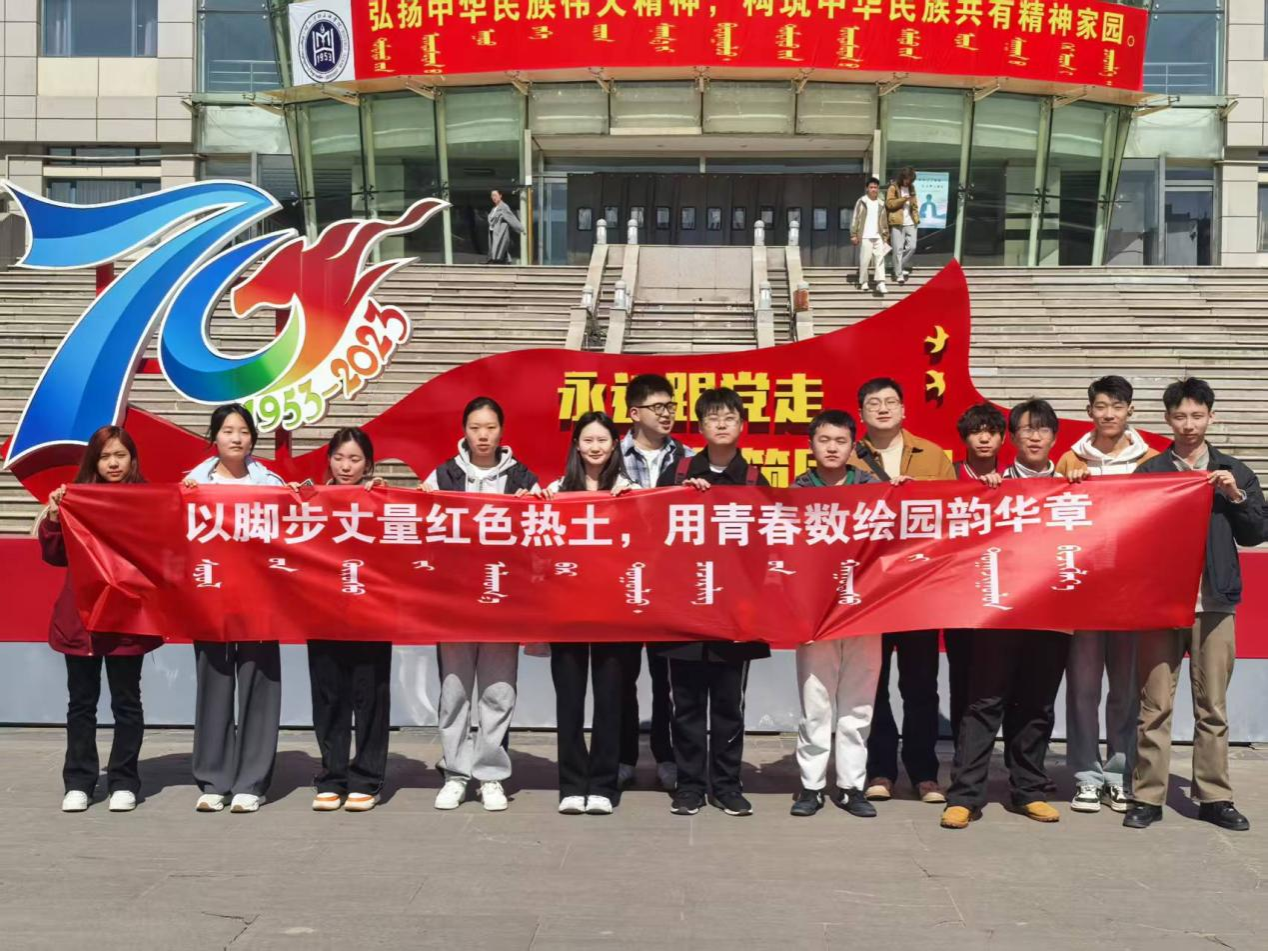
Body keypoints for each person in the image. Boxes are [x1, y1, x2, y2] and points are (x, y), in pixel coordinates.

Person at [1124, 378, 1266, 831]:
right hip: (1162, 604)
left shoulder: (1233, 470)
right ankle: (1147, 796)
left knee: (1213, 707)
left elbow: (1256, 532)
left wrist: (1235, 496)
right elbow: (1130, 532)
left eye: (1197, 415)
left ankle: (1214, 797)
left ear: (1211, 417)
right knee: (1154, 705)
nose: (1188, 424)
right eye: (1180, 416)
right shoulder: (1151, 473)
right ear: (1168, 419)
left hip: (1215, 602)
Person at [941, 399, 1075, 829]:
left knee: (1036, 704)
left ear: (1054, 437)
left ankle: (1028, 790)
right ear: (1012, 438)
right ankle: (965, 795)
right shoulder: (991, 487)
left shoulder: (1073, 487)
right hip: (997, 611)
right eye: (1026, 429)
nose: (1034, 437)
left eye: (1042, 429)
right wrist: (984, 496)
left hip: (1052, 613)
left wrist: (1082, 483)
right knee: (984, 702)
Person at [656, 387, 770, 816]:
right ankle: (689, 786)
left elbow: (768, 545)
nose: (721, 425)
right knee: (685, 704)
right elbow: (654, 531)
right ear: (700, 427)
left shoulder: (755, 480)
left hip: (735, 614)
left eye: (729, 418)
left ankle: (726, 784)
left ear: (742, 425)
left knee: (728, 705)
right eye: (712, 418)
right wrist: (682, 496)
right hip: (685, 610)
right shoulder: (678, 473)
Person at [421, 396, 537, 811]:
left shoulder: (523, 478)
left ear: (502, 431)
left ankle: (490, 775)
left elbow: (538, 540)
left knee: (498, 692)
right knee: (454, 693)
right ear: (464, 431)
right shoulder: (442, 476)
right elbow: (421, 530)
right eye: (475, 427)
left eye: (490, 427)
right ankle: (456, 773)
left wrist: (531, 506)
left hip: (503, 601)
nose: (482, 435)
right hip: (454, 602)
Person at [40, 426, 162, 813]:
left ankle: (124, 781)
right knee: (81, 703)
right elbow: (55, 555)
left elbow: (164, 547)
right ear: (93, 461)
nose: (113, 463)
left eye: (120, 455)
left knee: (127, 703)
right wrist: (55, 516)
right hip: (81, 619)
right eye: (105, 456)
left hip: (127, 618)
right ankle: (79, 782)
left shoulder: (147, 501)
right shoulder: (76, 497)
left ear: (132, 459)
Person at [1055, 375, 1160, 815]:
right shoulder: (1070, 459)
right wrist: (1067, 483)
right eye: (1101, 406)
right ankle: (1085, 775)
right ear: (1089, 411)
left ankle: (1119, 775)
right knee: (1082, 688)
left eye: (1117, 406)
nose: (1109, 414)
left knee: (1125, 689)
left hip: (1129, 592)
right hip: (1082, 590)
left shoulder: (1152, 462)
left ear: (1130, 410)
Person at [848, 377, 955, 805]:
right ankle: (879, 770)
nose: (883, 408)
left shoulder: (932, 455)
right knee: (871, 685)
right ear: (861, 413)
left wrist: (919, 498)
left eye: (891, 401)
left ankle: (924, 772)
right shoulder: (847, 454)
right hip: (869, 589)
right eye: (874, 403)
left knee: (920, 684)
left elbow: (954, 514)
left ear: (905, 410)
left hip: (918, 589)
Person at [183, 403, 285, 814]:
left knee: (259, 684)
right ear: (214, 437)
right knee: (214, 685)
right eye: (227, 431)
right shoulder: (193, 484)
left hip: (259, 599)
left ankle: (251, 782)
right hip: (210, 597)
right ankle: (214, 780)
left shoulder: (271, 483)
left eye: (243, 431)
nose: (236, 438)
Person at [541, 412, 638, 816]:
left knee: (610, 700)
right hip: (567, 612)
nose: (595, 447)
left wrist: (632, 506)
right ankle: (570, 784)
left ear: (614, 445)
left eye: (602, 440)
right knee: (569, 700)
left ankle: (602, 784)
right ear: (576, 446)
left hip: (615, 613)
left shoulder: (630, 491)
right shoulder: (555, 490)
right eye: (588, 440)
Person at [789, 410, 882, 819]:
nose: (832, 448)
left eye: (840, 441)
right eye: (824, 440)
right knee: (816, 702)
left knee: (858, 704)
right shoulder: (797, 491)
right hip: (816, 613)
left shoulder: (873, 489)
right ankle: (811, 785)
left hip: (866, 609)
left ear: (852, 446)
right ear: (811, 445)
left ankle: (850, 786)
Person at [304, 428, 392, 813]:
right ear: (329, 460)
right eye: (339, 458)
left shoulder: (380, 500)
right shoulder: (311, 500)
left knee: (369, 696)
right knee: (329, 696)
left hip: (371, 613)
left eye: (355, 459)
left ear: (368, 463)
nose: (346, 466)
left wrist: (385, 499)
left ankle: (367, 778)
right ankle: (332, 776)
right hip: (323, 612)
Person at [619, 373, 694, 793]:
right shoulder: (609, 455)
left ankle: (668, 757)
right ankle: (623, 757)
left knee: (669, 677)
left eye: (671, 407)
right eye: (658, 407)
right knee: (620, 675)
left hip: (671, 585)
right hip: (620, 582)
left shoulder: (689, 459)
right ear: (635, 412)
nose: (667, 414)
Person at [946, 403, 1007, 747]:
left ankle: (989, 747)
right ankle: (962, 748)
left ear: (1003, 439)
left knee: (998, 676)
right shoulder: (948, 476)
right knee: (962, 674)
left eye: (991, 432)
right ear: (964, 438)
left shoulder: (1013, 479)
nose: (984, 439)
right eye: (976, 432)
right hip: (958, 596)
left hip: (1003, 594)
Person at [849, 177, 889, 295]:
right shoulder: (862, 201)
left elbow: (884, 221)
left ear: (878, 189)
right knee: (865, 260)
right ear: (867, 188)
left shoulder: (881, 203)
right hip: (865, 236)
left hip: (878, 236)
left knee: (880, 260)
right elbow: (855, 218)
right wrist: (853, 234)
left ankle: (880, 283)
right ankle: (864, 281)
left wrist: (885, 236)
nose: (873, 189)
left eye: (875, 187)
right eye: (871, 187)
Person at [886, 167, 920, 285]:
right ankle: (898, 274)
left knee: (912, 246)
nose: (908, 181)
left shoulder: (912, 188)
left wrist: (916, 217)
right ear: (902, 177)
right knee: (898, 249)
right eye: (906, 179)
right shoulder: (893, 187)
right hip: (897, 222)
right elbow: (889, 204)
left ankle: (898, 266)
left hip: (910, 221)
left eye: (910, 180)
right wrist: (903, 200)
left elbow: (914, 204)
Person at [487, 189, 524, 265]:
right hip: (493, 231)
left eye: (495, 195)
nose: (493, 197)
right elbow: (491, 219)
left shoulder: (504, 207)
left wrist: (521, 228)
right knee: (497, 248)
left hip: (500, 232)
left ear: (500, 196)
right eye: (492, 196)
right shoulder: (494, 209)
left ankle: (498, 261)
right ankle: (502, 260)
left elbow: (511, 218)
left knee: (499, 247)